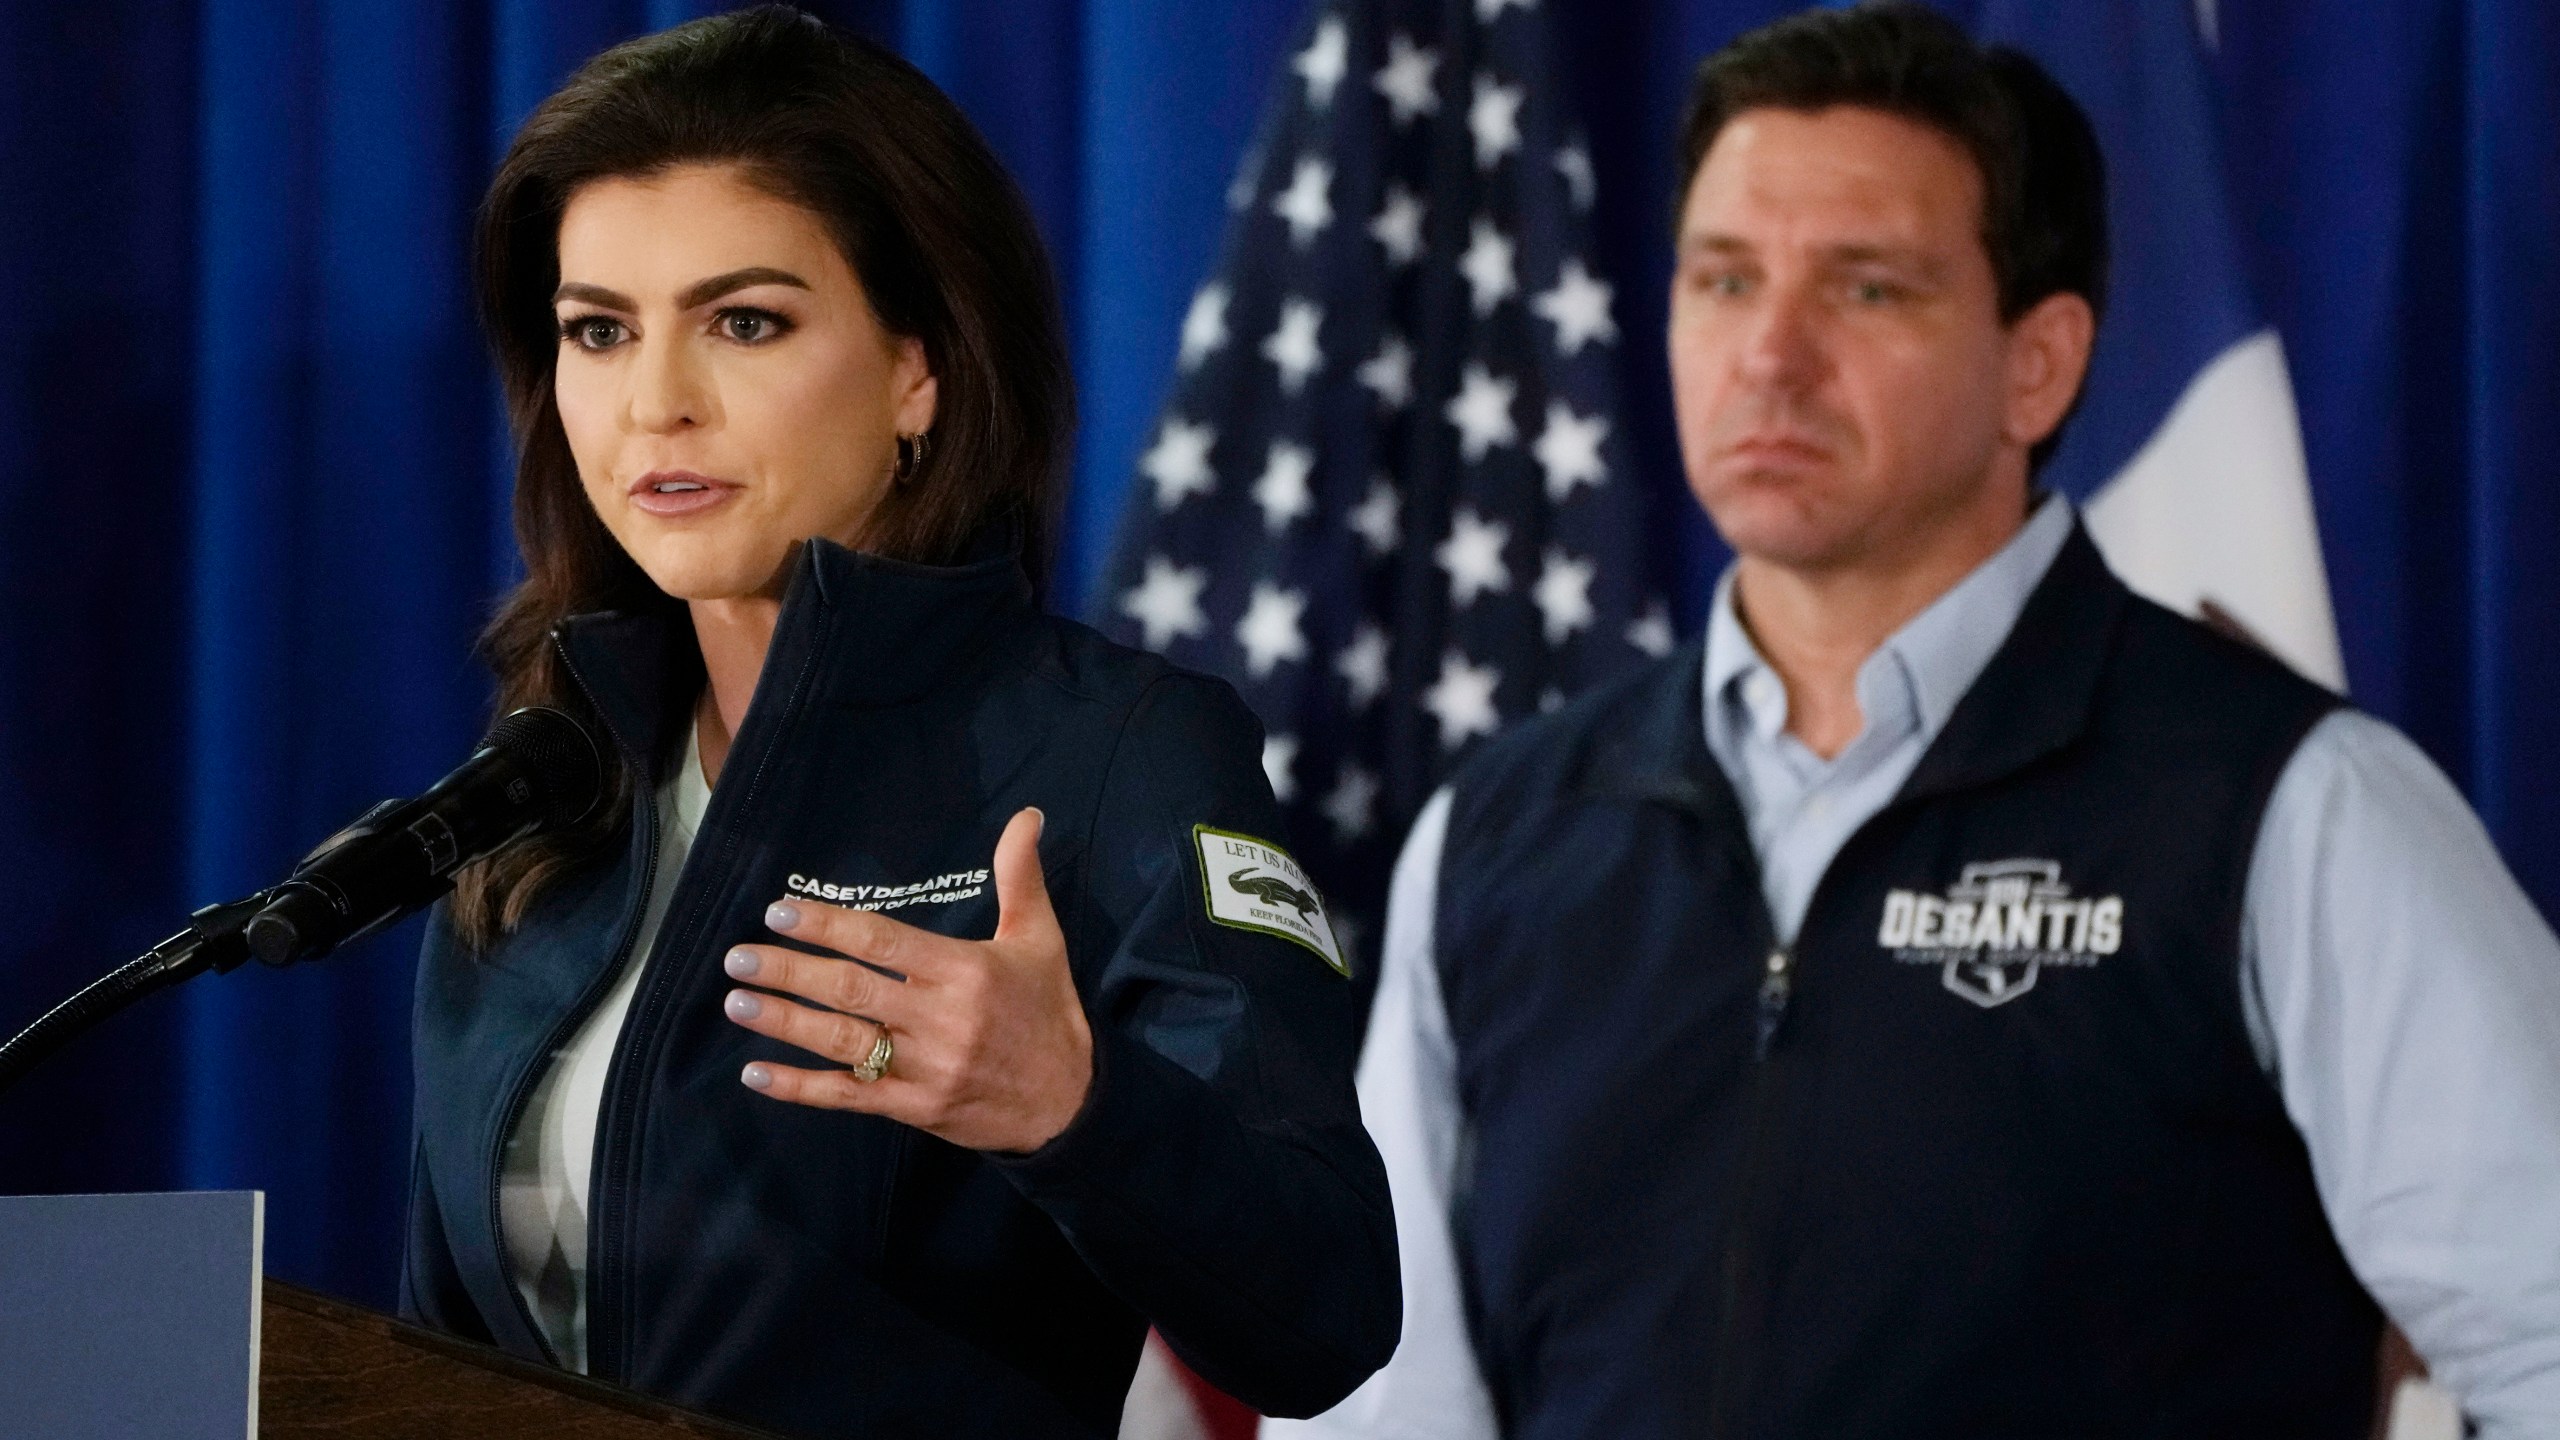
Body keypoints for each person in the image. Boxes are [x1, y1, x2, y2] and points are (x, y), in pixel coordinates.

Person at [1270, 5, 2560, 1437]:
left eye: (1867, 289)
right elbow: (1382, 1409)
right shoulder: (1501, 835)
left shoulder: (2294, 810)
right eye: (1722, 278)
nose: (1770, 353)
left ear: (2040, 364)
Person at [398, 11, 1398, 1437]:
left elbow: (1332, 1312)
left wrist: (1077, 1109)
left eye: (745, 322)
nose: (654, 405)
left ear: (918, 369)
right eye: (598, 331)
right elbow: (434, 1368)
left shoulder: (1114, 753)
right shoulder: (541, 793)